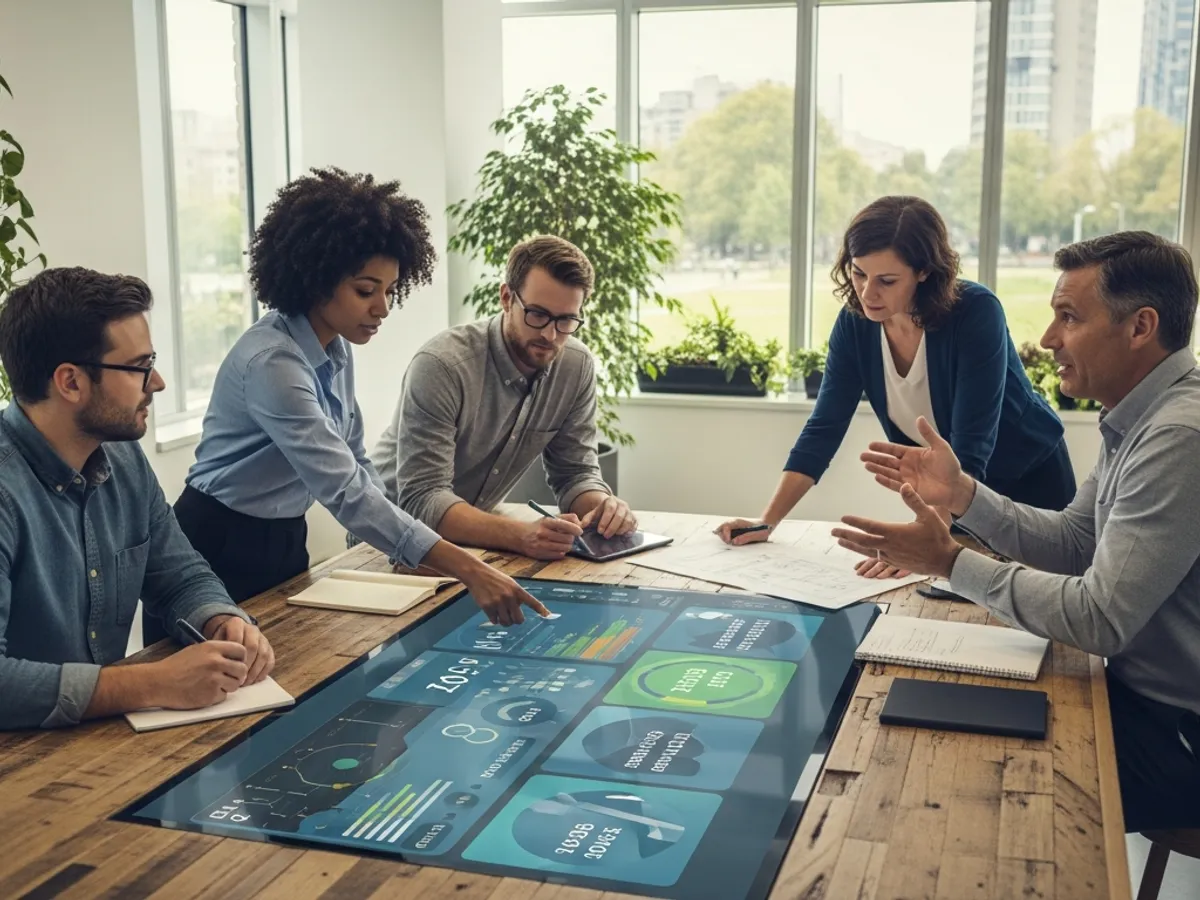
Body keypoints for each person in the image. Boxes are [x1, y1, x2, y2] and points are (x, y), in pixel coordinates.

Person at [831, 231, 1200, 831]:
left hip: (1176, 733)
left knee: (955, 785)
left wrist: (951, 562)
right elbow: (1077, 544)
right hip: (1134, 698)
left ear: (1141, 327)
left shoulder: (1179, 437)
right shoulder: (1139, 416)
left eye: (1069, 317)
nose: (1050, 339)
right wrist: (964, 496)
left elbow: (1098, 619)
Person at [174, 168, 548, 627]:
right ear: (315, 278)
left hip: (286, 534)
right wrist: (465, 565)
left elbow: (356, 461)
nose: (383, 307)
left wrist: (410, 547)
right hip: (215, 540)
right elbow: (342, 489)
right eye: (366, 290)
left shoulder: (336, 347)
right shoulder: (273, 363)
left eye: (390, 290)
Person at [718, 196, 1074, 580]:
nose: (867, 293)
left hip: (1029, 487)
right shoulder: (856, 324)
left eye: (886, 280)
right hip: (950, 499)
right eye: (858, 274)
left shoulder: (975, 312)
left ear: (924, 271)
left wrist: (928, 539)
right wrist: (767, 522)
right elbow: (824, 427)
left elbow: (972, 446)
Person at [0, 267, 275, 730]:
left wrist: (222, 621)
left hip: (100, 746)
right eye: (139, 366)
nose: (158, 382)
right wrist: (151, 683)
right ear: (70, 382)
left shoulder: (123, 457)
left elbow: (180, 576)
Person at [370, 235, 635, 560]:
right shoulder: (443, 366)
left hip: (469, 540)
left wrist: (603, 508)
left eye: (566, 320)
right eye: (537, 314)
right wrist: (520, 535)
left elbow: (575, 473)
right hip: (384, 539)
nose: (550, 335)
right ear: (507, 297)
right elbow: (423, 498)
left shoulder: (575, 366)